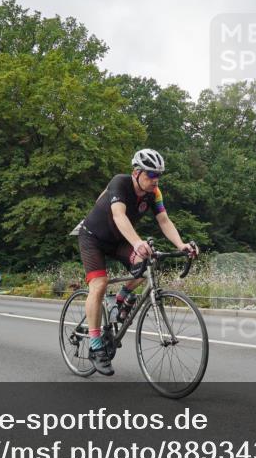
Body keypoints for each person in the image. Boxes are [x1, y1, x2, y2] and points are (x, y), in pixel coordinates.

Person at [76, 149, 199, 376]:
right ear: (136, 172)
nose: (155, 180)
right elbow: (119, 217)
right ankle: (95, 346)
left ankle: (121, 298)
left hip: (117, 240)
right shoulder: (120, 184)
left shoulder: (155, 193)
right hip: (93, 238)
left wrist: (181, 245)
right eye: (151, 174)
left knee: (146, 264)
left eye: (158, 175)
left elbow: (163, 219)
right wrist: (136, 242)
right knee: (99, 284)